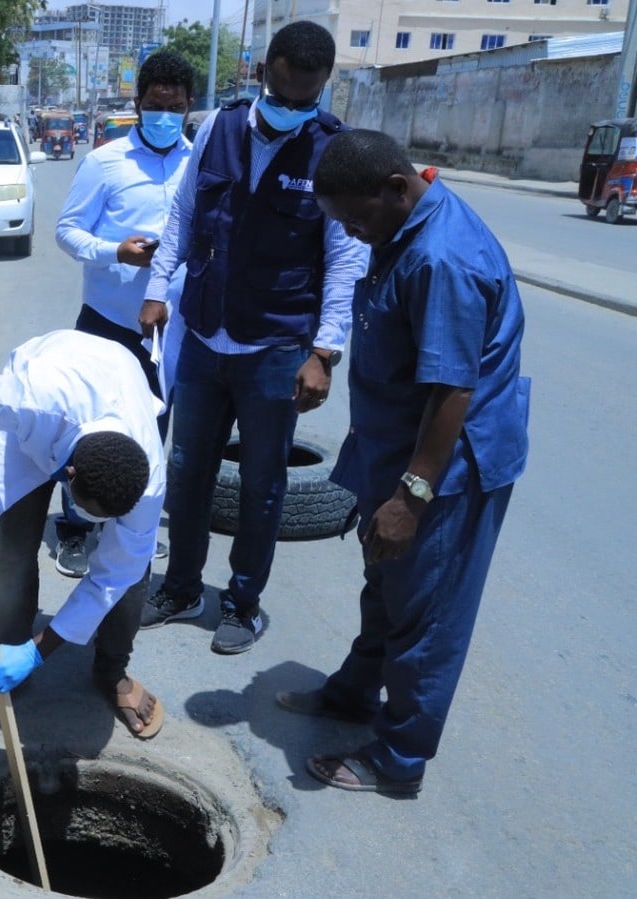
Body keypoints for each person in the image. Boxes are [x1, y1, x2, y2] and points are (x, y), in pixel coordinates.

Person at [274, 131, 530, 795]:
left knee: (424, 614)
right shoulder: (403, 228)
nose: (353, 235)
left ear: (395, 187)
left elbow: (451, 389)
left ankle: (398, 758)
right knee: (385, 587)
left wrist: (409, 497)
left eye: (356, 220)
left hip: (444, 468)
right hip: (395, 447)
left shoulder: (441, 259)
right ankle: (354, 692)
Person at [138, 22, 367, 655]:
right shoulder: (218, 127)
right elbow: (183, 214)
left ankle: (243, 602)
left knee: (264, 483)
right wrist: (159, 289)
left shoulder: (332, 150)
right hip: (207, 337)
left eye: (305, 100)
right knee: (187, 472)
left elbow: (345, 261)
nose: (289, 108)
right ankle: (181, 587)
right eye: (281, 92)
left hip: (278, 347)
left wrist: (324, 353)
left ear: (323, 89)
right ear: (262, 71)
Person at [0, 331, 167, 739]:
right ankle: (6, 649)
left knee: (132, 572)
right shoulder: (30, 401)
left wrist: (37, 653)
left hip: (117, 377)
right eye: (85, 510)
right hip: (49, 399)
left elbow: (111, 578)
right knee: (15, 545)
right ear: (69, 476)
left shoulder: (146, 483)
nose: (91, 523)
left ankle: (111, 669)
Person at [53, 50, 195, 579]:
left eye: (175, 107)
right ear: (137, 105)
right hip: (109, 321)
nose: (164, 116)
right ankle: (76, 528)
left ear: (188, 108)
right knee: (90, 426)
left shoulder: (199, 161)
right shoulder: (105, 162)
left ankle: (133, 525)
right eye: (154, 106)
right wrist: (117, 251)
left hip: (169, 329)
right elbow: (67, 232)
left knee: (153, 426)